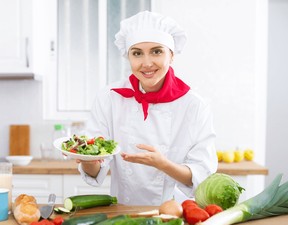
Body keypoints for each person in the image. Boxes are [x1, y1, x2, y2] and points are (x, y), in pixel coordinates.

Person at [78, 10, 218, 206]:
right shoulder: (109, 98)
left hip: (175, 214)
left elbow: (202, 176)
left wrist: (163, 164)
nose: (146, 63)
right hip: (123, 213)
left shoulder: (194, 106)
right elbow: (95, 169)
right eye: (137, 53)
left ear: (172, 54)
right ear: (128, 57)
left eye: (156, 51)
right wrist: (86, 159)